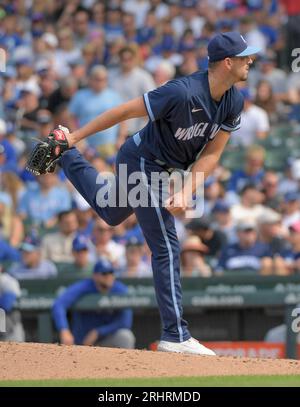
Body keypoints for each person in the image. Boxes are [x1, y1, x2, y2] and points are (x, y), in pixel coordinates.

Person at [29, 32, 260, 355]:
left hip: (163, 170)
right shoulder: (182, 92)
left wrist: (188, 190)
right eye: (245, 56)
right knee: (166, 245)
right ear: (227, 62)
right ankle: (174, 335)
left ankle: (65, 154)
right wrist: (77, 136)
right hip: (141, 160)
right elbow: (123, 112)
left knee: (110, 213)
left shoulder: (234, 100)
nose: (251, 60)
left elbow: (212, 153)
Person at [52, 258, 135, 348]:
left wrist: (98, 332)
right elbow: (59, 304)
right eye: (104, 273)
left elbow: (125, 322)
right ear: (95, 276)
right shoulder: (85, 286)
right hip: (82, 343)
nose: (109, 276)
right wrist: (64, 330)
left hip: (106, 339)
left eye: (111, 273)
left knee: (126, 336)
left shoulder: (120, 290)